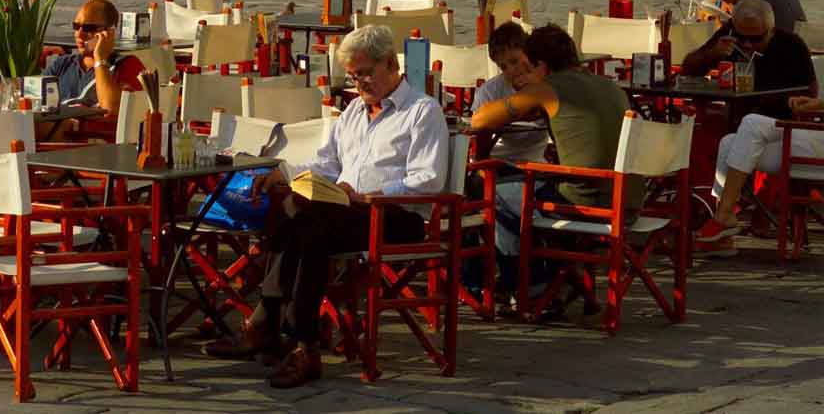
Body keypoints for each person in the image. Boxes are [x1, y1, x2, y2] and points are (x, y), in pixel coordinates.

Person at [204, 24, 448, 388]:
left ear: (391, 65)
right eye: (353, 76)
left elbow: (427, 180)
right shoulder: (352, 112)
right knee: (298, 212)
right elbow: (327, 166)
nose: (360, 83)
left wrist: (367, 194)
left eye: (365, 73)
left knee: (304, 220)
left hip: (397, 215)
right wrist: (282, 173)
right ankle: (301, 342)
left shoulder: (422, 111)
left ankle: (267, 324)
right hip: (342, 213)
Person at [471, 24, 633, 303]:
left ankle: (526, 285)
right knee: (515, 192)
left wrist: (527, 95)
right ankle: (551, 277)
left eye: (528, 66)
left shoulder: (548, 89)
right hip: (629, 198)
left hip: (588, 202)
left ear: (542, 66)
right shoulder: (611, 87)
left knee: (490, 190)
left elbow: (479, 120)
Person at [696, 95, 824, 256]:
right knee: (729, 143)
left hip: (819, 144)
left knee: (752, 123)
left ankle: (723, 215)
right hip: (815, 139)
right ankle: (721, 238)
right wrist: (817, 103)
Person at [680, 0, 817, 119]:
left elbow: (810, 93)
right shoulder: (729, 34)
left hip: (777, 120)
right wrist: (712, 54)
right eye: (741, 37)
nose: (747, 44)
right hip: (737, 115)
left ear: (771, 31)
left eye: (756, 39)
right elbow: (687, 70)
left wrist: (773, 101)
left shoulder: (791, 45)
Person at [42, 0, 142, 115]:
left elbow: (113, 110)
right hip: (57, 129)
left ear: (109, 32)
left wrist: (100, 59)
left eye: (88, 28)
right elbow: (36, 102)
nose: (79, 34)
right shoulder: (62, 64)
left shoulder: (127, 65)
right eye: (76, 26)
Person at [470, 21, 549, 163]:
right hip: (497, 161)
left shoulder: (545, 85)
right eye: (504, 67)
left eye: (515, 61)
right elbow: (480, 143)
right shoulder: (490, 91)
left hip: (535, 162)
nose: (511, 70)